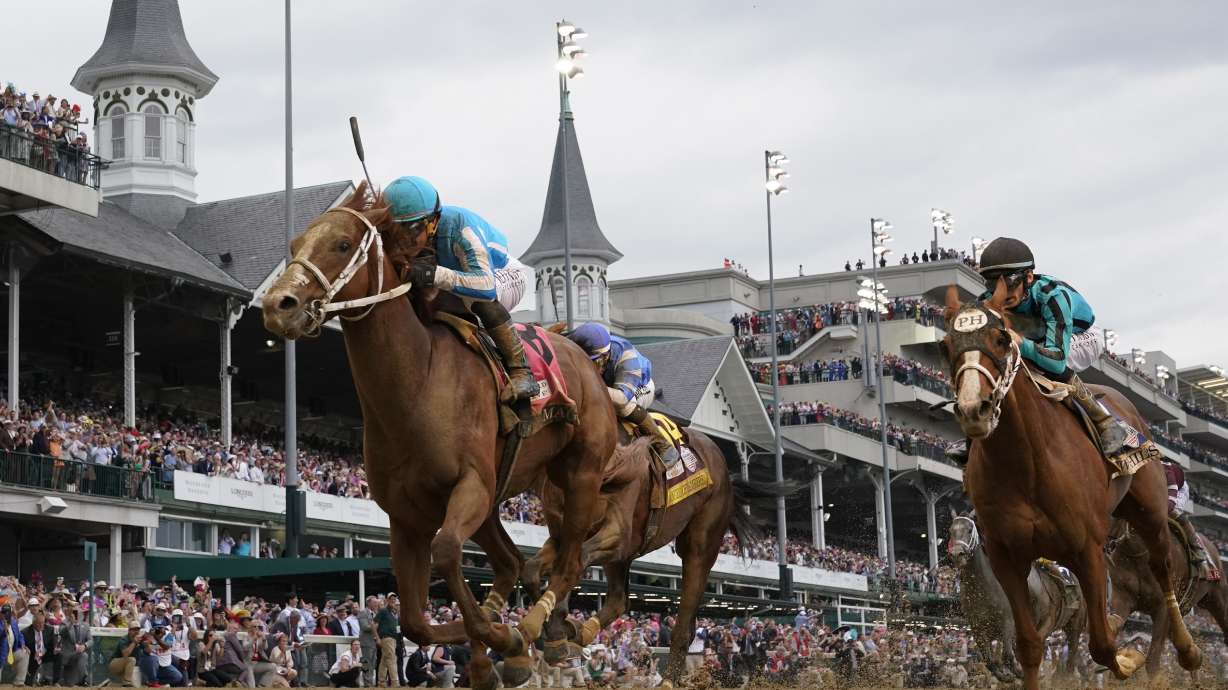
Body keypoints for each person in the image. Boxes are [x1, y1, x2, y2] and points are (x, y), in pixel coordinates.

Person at [946, 237, 1134, 462]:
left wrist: (1021, 344)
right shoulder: (985, 302)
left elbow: (1056, 360)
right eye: (993, 283)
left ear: (1028, 277)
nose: (1002, 291)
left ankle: (1106, 422)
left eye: (1010, 282)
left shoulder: (1053, 295)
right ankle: (974, 436)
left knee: (1042, 363)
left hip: (1080, 337)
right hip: (1038, 335)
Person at [383, 175, 537, 401]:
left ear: (433, 222)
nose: (404, 239)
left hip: (503, 276)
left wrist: (433, 274)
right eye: (397, 231)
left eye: (413, 229)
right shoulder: (415, 235)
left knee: (474, 300)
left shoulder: (460, 227)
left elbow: (486, 286)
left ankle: (521, 371)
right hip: (461, 279)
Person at [567, 322, 680, 467]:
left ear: (605, 355)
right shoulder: (576, 341)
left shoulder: (627, 357)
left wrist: (590, 387)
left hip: (640, 387)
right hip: (608, 386)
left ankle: (663, 446)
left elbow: (621, 398)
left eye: (593, 362)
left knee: (622, 406)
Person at [1165, 461, 1214, 578]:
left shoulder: (1165, 471)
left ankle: (1198, 551)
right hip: (1165, 486)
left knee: (1172, 512)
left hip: (1179, 488)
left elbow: (1170, 504)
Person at [59, 602, 91, 687]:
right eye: (74, 612)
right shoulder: (64, 623)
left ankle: (83, 680)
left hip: (80, 653)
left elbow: (91, 640)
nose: (76, 613)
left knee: (83, 655)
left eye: (78, 611)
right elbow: (61, 633)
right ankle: (83, 680)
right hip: (68, 655)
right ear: (70, 612)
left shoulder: (85, 625)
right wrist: (70, 623)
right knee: (83, 656)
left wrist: (85, 646)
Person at [375, 596, 400, 687]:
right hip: (387, 638)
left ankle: (381, 681)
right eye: (391, 599)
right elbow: (374, 624)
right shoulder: (383, 611)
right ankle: (394, 682)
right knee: (392, 659)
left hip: (392, 639)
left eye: (394, 599)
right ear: (387, 600)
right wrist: (377, 638)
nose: (393, 601)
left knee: (384, 660)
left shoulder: (394, 613)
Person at [109, 622, 145, 687]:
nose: (136, 632)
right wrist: (134, 642)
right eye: (134, 630)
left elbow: (149, 651)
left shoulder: (140, 639)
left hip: (128, 668)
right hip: (114, 665)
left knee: (135, 686)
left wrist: (147, 642)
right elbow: (125, 654)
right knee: (132, 659)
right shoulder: (124, 639)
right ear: (129, 631)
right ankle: (127, 681)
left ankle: (111, 684)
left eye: (138, 629)